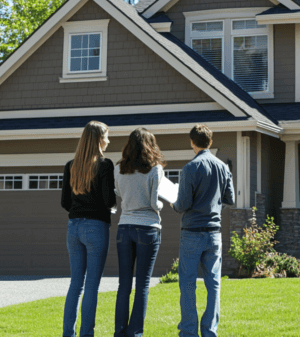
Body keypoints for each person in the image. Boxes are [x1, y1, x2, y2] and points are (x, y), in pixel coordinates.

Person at [174, 124, 235, 337]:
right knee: (214, 284)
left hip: (191, 232)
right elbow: (231, 199)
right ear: (210, 141)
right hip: (214, 233)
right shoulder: (223, 167)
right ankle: (210, 331)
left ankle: (189, 332)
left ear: (192, 142)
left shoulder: (190, 168)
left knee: (188, 283)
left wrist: (174, 204)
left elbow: (182, 204)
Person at [61, 120, 116, 337]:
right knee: (91, 285)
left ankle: (68, 334)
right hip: (96, 227)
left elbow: (65, 202)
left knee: (76, 285)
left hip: (73, 228)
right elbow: (108, 200)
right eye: (107, 136)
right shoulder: (105, 165)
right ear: (99, 139)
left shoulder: (70, 165)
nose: (109, 140)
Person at [113, 128, 165, 337]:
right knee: (142, 284)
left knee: (124, 284)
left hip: (124, 228)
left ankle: (119, 332)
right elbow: (154, 203)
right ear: (150, 145)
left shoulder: (118, 169)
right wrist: (162, 203)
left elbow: (118, 193)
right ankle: (134, 334)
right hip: (148, 229)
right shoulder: (155, 170)